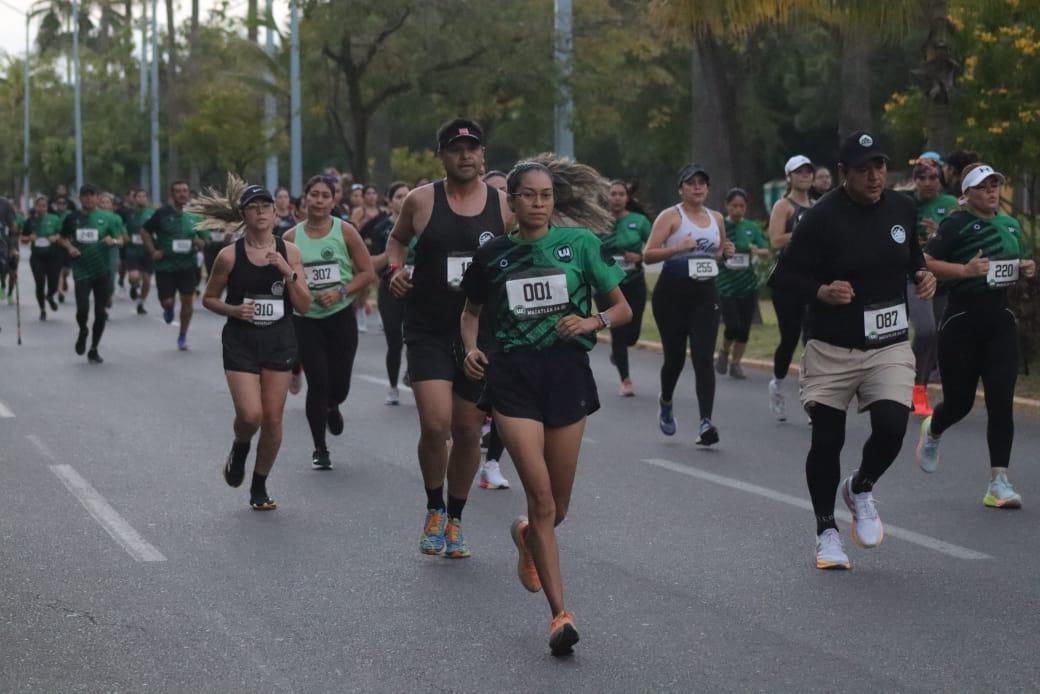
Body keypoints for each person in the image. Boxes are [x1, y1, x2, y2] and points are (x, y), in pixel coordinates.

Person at [460, 156, 632, 656]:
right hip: (512, 380)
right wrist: (471, 350)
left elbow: (622, 308)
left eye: (546, 195)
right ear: (511, 201)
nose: (538, 203)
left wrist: (590, 323)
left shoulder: (579, 245)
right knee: (541, 500)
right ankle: (560, 615)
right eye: (529, 195)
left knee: (557, 507)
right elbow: (470, 313)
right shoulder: (493, 256)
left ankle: (525, 535)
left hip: (565, 378)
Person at [772, 131, 936, 570]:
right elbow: (783, 279)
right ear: (844, 173)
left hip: (888, 343)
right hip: (832, 346)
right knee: (828, 439)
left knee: (891, 426)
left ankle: (861, 486)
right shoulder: (821, 218)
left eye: (880, 166)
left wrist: (922, 275)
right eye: (863, 169)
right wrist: (822, 291)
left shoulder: (902, 207)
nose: (875, 176)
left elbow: (912, 255)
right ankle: (827, 530)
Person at [385, 118, 512, 558]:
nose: (465, 155)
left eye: (472, 148)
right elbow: (396, 242)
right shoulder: (421, 200)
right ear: (441, 155)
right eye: (456, 149)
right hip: (429, 329)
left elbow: (526, 252)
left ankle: (456, 518)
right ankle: (434, 506)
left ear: (483, 154)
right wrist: (396, 270)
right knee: (435, 424)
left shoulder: (504, 205)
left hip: (480, 335)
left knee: (466, 427)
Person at [917, 163, 1035, 508]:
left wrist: (1026, 268)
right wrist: (963, 270)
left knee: (1001, 402)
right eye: (983, 186)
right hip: (961, 323)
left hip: (999, 321)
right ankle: (933, 429)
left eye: (995, 184)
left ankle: (999, 481)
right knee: (960, 403)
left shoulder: (1010, 225)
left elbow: (1011, 266)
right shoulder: (955, 225)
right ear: (967, 194)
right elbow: (925, 261)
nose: (992, 191)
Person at [199, 181, 311, 510]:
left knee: (273, 419)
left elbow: (304, 306)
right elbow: (208, 298)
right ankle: (241, 444)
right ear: (243, 215)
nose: (260, 212)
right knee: (251, 415)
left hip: (279, 340)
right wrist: (234, 310)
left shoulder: (290, 252)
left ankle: (259, 485)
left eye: (266, 206)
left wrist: (286, 271)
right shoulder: (228, 256)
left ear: (276, 214)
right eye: (253, 207)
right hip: (241, 341)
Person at [283, 176, 376, 469]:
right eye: (314, 195)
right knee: (318, 382)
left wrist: (341, 291)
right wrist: (299, 293)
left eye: (326, 195)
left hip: (340, 315)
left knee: (340, 385)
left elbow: (367, 272)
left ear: (334, 201)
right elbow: (284, 279)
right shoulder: (290, 238)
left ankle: (334, 405)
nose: (320, 200)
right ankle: (319, 448)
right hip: (306, 320)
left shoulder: (344, 231)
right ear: (305, 200)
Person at [643, 164, 734, 445]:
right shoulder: (671, 217)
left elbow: (717, 253)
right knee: (675, 358)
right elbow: (647, 255)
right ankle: (666, 401)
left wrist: (725, 253)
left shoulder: (716, 217)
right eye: (691, 183)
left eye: (702, 183)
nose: (697, 188)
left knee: (703, 357)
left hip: (705, 295)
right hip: (671, 295)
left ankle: (705, 422)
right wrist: (677, 248)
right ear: (681, 188)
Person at [906, 155, 959, 416]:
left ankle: (919, 390)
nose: (927, 183)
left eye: (933, 177)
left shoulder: (950, 204)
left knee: (935, 335)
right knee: (925, 330)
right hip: (912, 276)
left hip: (940, 276)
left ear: (940, 180)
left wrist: (941, 232)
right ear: (914, 181)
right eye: (921, 178)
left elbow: (960, 237)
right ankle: (908, 384)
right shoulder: (905, 204)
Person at [766, 155, 816, 422]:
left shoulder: (818, 205)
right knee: (790, 337)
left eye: (808, 171)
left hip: (811, 279)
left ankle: (811, 397)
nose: (805, 175)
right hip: (787, 279)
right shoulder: (783, 206)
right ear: (789, 177)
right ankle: (777, 383)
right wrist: (803, 232)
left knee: (813, 339)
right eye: (799, 172)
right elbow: (775, 240)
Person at [56, 184, 127, 363]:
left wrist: (114, 241)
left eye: (91, 195)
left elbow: (123, 239)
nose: (88, 199)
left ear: (97, 198)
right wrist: (70, 247)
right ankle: (83, 331)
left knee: (100, 312)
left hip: (102, 271)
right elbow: (61, 238)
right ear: (80, 198)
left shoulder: (110, 219)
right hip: (81, 271)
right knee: (82, 310)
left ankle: (94, 348)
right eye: (84, 195)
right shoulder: (72, 218)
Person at [597, 180, 652, 396]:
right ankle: (625, 379)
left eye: (621, 194)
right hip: (608, 286)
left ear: (627, 197)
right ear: (607, 197)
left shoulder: (639, 221)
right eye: (613, 194)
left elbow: (654, 244)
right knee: (618, 332)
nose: (617, 197)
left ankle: (618, 352)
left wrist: (639, 256)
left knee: (632, 334)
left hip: (634, 281)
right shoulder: (599, 222)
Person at [142, 180, 205, 350]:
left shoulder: (195, 215)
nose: (183, 194)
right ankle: (168, 309)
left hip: (187, 265)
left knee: (187, 300)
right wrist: (153, 251)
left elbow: (205, 239)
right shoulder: (161, 213)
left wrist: (200, 242)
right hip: (166, 266)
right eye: (178, 191)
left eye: (185, 191)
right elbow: (145, 231)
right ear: (172, 195)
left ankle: (182, 335)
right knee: (168, 301)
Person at [715, 188, 770, 379]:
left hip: (747, 285)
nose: (738, 209)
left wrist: (756, 249)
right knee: (733, 326)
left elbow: (767, 249)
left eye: (741, 206)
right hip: (725, 284)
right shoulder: (720, 225)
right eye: (734, 206)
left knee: (744, 330)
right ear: (727, 206)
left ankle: (736, 364)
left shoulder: (751, 227)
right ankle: (723, 351)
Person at [367, 181, 412, 405]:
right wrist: (392, 251)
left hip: (418, 290)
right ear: (389, 200)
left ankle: (413, 372)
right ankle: (393, 387)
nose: (404, 199)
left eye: (407, 195)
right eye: (399, 196)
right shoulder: (381, 228)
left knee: (416, 338)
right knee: (395, 341)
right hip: (390, 289)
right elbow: (372, 264)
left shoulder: (421, 224)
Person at [21, 196, 63, 320]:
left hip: (53, 256)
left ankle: (50, 296)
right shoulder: (30, 221)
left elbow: (62, 234)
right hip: (37, 257)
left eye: (44, 205)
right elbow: (22, 239)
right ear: (35, 206)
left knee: (54, 283)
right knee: (39, 283)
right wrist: (29, 238)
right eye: (39, 205)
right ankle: (42, 309)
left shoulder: (55, 219)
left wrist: (55, 237)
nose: (41, 208)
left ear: (47, 207)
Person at [124, 190, 156, 315]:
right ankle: (133, 285)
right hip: (132, 250)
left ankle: (141, 302)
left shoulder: (153, 213)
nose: (141, 199)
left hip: (148, 250)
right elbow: (121, 228)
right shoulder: (128, 213)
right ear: (134, 198)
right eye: (138, 196)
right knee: (134, 276)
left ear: (147, 199)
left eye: (143, 196)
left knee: (147, 281)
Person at [0, 194, 19, 306]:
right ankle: (2, 286)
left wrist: (13, 247)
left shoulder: (5, 204)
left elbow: (14, 226)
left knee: (12, 271)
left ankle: (10, 293)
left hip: (8, 243)